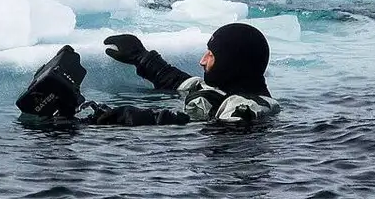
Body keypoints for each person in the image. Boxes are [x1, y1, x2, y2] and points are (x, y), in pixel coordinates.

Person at [18, 22, 281, 126]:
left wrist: (121, 117)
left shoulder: (245, 109)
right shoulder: (226, 93)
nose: (202, 61)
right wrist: (141, 57)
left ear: (233, 64)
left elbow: (196, 127)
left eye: (211, 55)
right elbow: (182, 83)